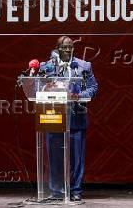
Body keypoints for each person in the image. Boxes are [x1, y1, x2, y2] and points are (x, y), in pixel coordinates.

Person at [38, 36, 98, 202]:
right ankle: (57, 191)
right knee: (55, 158)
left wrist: (79, 95)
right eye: (64, 47)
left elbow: (93, 88)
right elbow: (36, 86)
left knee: (76, 159)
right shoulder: (46, 66)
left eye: (70, 47)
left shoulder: (84, 66)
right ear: (57, 48)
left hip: (76, 117)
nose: (67, 50)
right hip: (54, 117)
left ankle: (75, 190)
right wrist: (45, 87)